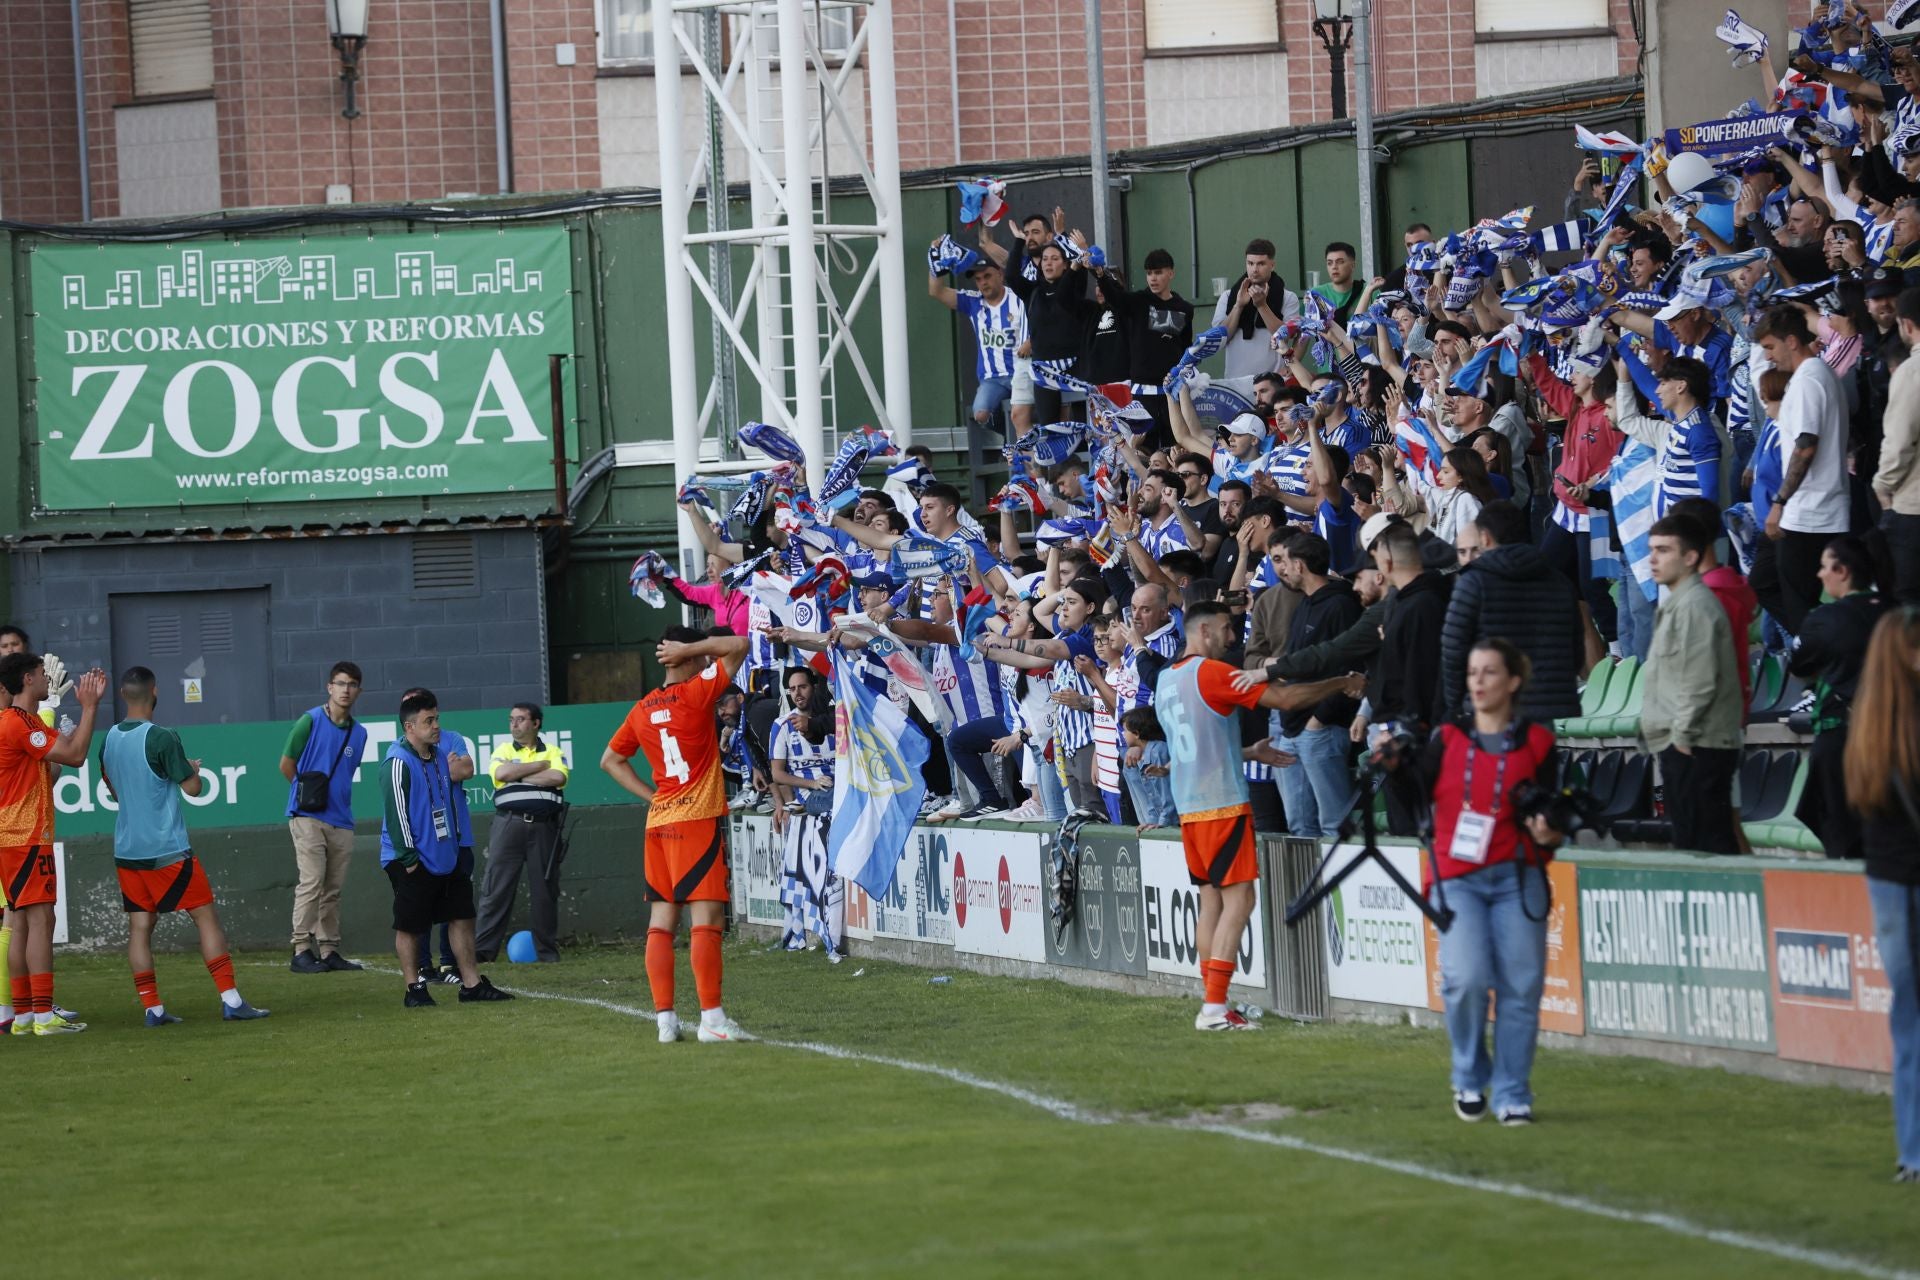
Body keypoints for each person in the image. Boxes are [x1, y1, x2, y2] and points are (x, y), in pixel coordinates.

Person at [1156, 601, 1360, 1031]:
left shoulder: (1166, 679)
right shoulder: (1210, 673)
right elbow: (1283, 698)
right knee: (1240, 900)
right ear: (1206, 630)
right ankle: (1213, 1008)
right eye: (1229, 630)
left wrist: (1248, 751)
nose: (1234, 639)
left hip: (1191, 807)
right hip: (1222, 805)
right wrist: (1341, 681)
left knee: (1210, 902)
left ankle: (1217, 1001)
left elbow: (1197, 745)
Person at [1395, 637, 1566, 1127]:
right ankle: (1469, 1076)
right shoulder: (1447, 737)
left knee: (1522, 986)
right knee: (1465, 979)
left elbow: (1551, 817)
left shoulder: (1538, 741)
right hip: (1457, 877)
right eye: (1473, 673)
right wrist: (1393, 765)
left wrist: (1548, 830)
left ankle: (1514, 1091)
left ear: (1513, 681)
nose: (1479, 682)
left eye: (1490, 672)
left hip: (1518, 874)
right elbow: (1415, 799)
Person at [601, 628, 753, 1044]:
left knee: (661, 922)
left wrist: (652, 797)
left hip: (660, 822)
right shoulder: (696, 693)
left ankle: (665, 1021)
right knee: (706, 920)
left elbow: (610, 760)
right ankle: (712, 1019)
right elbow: (739, 644)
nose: (707, 661)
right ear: (683, 656)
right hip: (695, 819)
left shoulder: (642, 708)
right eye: (698, 655)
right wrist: (695, 648)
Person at [100, 667, 268, 1025]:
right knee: (206, 918)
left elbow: (115, 791)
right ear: (154, 692)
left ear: (123, 694)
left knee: (140, 928)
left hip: (127, 850)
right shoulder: (162, 737)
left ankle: (153, 1008)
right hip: (166, 849)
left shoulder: (109, 738)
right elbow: (193, 789)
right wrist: (192, 770)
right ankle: (232, 1000)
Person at [1840, 610, 1920, 1184]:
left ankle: (1913, 1152)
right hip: (1900, 879)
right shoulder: (1891, 730)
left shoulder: (1867, 728)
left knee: (1910, 1018)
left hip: (1889, 879)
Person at [378, 689, 512, 1008]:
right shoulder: (396, 763)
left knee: (461, 916)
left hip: (446, 854)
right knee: (411, 924)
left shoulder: (440, 756)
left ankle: (471, 984)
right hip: (410, 857)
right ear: (410, 727)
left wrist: (451, 848)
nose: (436, 726)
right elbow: (397, 815)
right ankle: (414, 988)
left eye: (437, 718)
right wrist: (410, 860)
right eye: (428, 721)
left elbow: (446, 803)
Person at [0, 653, 106, 1035]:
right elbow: (76, 755)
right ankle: (44, 1016)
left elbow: (61, 756)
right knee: (42, 921)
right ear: (28, 679)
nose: (48, 679)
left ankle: (25, 1015)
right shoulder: (16, 724)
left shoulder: (20, 722)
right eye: (42, 674)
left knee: (25, 925)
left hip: (13, 840)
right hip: (26, 838)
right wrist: (90, 707)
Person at [1640, 516, 1744, 855]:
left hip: (1695, 744)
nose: (1653, 559)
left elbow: (1699, 680)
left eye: (1663, 550)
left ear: (1691, 557)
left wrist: (1681, 738)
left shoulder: (1695, 606)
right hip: (1686, 742)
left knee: (1706, 845)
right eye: (1651, 550)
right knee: (1694, 842)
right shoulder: (1679, 603)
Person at [1438, 502, 1584, 723]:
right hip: (1553, 712)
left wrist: (1456, 704)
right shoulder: (1560, 582)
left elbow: (1453, 651)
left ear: (1485, 538)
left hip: (1495, 711)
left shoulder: (1473, 582)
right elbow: (1576, 651)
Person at [1790, 536, 1889, 860]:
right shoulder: (1899, 613)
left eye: (1824, 567)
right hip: (1893, 736)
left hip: (1840, 736)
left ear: (1842, 571)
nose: (1820, 575)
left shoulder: (1824, 619)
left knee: (1842, 834)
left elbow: (1800, 662)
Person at [1756, 305, 1853, 632]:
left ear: (1792, 341)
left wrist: (1779, 502)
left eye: (1770, 347)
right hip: (1808, 512)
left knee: (1801, 607)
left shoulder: (1809, 379)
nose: (1768, 358)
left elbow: (1806, 446)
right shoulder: (1810, 376)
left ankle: (1820, 663)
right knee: (1764, 581)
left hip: (1810, 515)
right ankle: (1818, 653)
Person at [280, 661, 370, 974]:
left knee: (332, 888)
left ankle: (329, 949)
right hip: (307, 816)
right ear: (329, 687)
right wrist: (305, 794)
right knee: (312, 881)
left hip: (342, 820)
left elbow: (348, 773)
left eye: (353, 684)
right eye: (341, 684)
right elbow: (286, 763)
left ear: (359, 690)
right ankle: (301, 948)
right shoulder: (310, 720)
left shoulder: (360, 734)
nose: (346, 690)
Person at [474, 702, 572, 964]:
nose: (514, 724)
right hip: (508, 824)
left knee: (545, 890)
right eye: (511, 719)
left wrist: (518, 776)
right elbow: (501, 773)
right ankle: (483, 952)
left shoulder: (553, 750)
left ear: (536, 723)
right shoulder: (503, 749)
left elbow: (558, 778)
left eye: (520, 719)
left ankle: (546, 953)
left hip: (545, 826)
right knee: (496, 888)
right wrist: (539, 767)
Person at [930, 251, 1029, 435]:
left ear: (1000, 274)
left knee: (1023, 413)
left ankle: (1021, 442)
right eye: (978, 279)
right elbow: (936, 291)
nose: (983, 282)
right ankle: (1011, 439)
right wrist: (935, 258)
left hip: (1021, 374)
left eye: (987, 276)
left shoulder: (1019, 298)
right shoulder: (974, 302)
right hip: (992, 379)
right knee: (981, 414)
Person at [1873, 285, 1920, 605]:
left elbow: (1899, 442)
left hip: (1913, 507)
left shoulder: (1910, 372)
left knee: (1909, 604)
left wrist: (1882, 484)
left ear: (1905, 324)